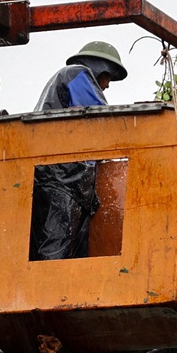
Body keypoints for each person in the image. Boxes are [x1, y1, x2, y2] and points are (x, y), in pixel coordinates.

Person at [30, 41, 126, 260]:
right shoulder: (77, 74)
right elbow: (100, 120)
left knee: (68, 254)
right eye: (108, 78)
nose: (107, 86)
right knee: (56, 251)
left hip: (65, 181)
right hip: (61, 180)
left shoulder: (64, 79)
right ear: (101, 67)